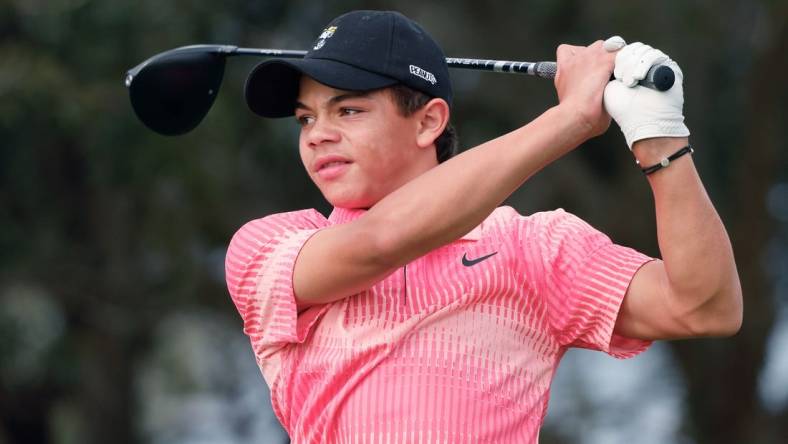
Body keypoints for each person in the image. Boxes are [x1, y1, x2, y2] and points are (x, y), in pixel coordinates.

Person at [225, 10, 742, 443]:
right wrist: (572, 118)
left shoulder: (531, 249)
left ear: (428, 121)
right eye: (305, 119)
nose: (317, 136)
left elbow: (704, 306)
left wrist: (661, 138)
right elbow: (379, 242)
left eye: (349, 110)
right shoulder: (267, 247)